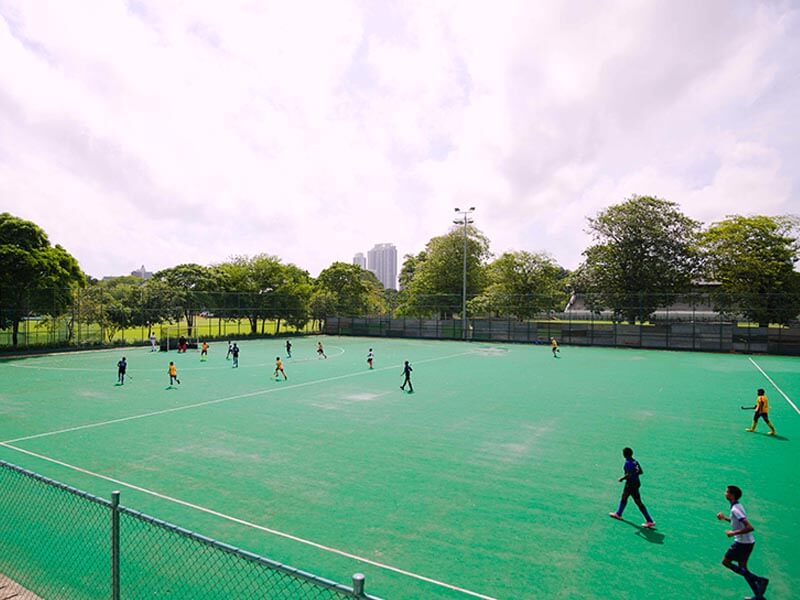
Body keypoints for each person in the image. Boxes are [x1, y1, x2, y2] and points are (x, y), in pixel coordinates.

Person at [716, 485, 769, 599]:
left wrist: (732, 533)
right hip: (749, 543)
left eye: (727, 492)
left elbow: (750, 527)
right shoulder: (737, 506)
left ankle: (759, 579)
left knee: (726, 562)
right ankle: (758, 596)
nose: (725, 493)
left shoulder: (735, 509)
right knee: (743, 569)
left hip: (742, 543)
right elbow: (736, 522)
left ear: (732, 495)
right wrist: (724, 518)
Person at [609, 447, 655, 528]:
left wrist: (622, 478)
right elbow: (640, 472)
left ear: (625, 455)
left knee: (638, 502)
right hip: (636, 482)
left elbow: (629, 474)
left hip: (631, 484)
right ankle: (618, 513)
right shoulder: (635, 462)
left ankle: (650, 520)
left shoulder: (628, 463)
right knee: (624, 497)